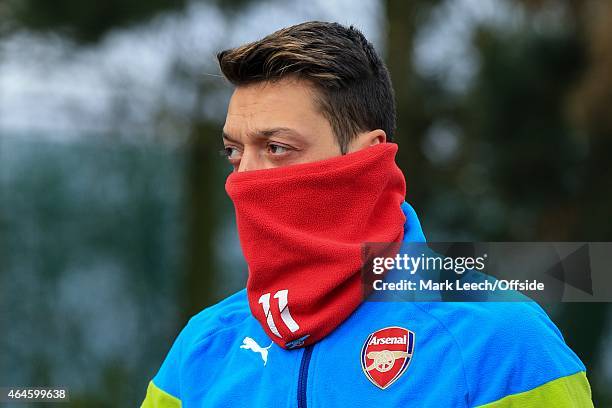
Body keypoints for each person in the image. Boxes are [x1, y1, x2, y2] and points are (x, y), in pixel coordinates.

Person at [141, 21, 593, 407]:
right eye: (234, 152)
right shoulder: (202, 348)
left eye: (277, 148)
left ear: (366, 161)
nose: (247, 178)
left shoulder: (501, 340)